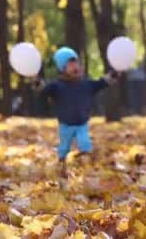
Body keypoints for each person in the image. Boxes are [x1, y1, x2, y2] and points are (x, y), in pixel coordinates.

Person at [33, 47, 118, 177]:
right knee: (64, 147)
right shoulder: (57, 86)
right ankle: (62, 165)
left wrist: (112, 75)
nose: (75, 67)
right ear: (62, 69)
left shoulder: (86, 84)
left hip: (82, 123)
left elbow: (101, 83)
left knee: (85, 144)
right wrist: (37, 82)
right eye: (70, 65)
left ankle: (85, 166)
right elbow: (44, 89)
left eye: (76, 63)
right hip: (65, 124)